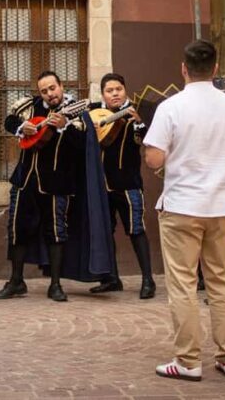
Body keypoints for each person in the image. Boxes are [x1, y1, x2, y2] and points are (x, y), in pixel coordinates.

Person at [144, 40, 225, 381]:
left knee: (183, 284)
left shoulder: (170, 106)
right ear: (215, 69)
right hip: (221, 205)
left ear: (183, 68)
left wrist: (170, 154)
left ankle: (188, 360)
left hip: (182, 206)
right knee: (221, 281)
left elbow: (155, 157)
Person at [0, 71, 86, 302]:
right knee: (17, 229)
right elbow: (9, 120)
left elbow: (81, 145)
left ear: (61, 86)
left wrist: (64, 126)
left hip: (56, 182)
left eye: (53, 88)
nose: (50, 94)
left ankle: (55, 285)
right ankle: (16, 282)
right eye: (44, 91)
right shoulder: (29, 106)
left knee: (55, 231)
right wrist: (22, 127)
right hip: (24, 180)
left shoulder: (76, 111)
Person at [88, 73, 156, 299]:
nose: (115, 93)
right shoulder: (95, 112)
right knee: (106, 232)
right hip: (103, 186)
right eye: (110, 90)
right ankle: (112, 279)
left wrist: (138, 123)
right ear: (103, 94)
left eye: (118, 89)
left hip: (128, 185)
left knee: (136, 230)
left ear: (125, 90)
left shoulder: (135, 112)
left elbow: (145, 139)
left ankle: (148, 280)